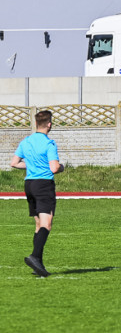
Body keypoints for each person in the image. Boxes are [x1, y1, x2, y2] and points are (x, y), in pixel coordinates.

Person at [10, 110, 65, 277]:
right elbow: (54, 167)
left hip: (29, 184)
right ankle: (34, 257)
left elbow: (14, 163)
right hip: (43, 185)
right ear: (49, 124)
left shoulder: (26, 141)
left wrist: (33, 165)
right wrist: (62, 167)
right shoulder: (49, 143)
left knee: (38, 225)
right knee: (46, 224)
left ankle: (37, 265)